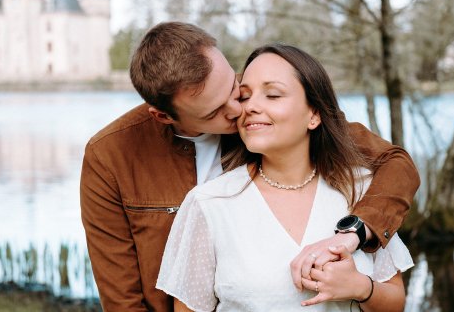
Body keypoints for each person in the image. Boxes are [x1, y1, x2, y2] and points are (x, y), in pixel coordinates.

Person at [80, 22, 420, 311]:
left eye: (234, 88)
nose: (240, 107)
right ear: (164, 116)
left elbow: (395, 164)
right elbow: (122, 297)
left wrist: (353, 236)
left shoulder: (271, 110)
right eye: (215, 112)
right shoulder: (112, 155)